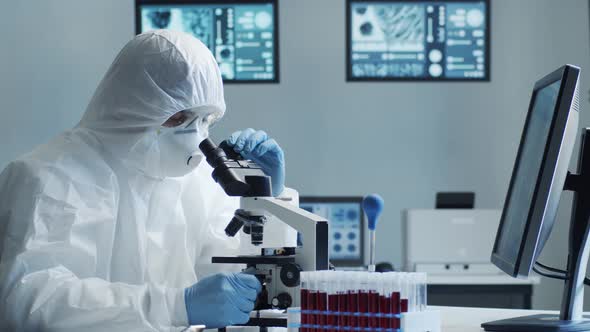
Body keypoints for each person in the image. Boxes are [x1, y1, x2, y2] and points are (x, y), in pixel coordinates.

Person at [0, 30, 293, 331]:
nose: (197, 135)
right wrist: (173, 306)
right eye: (179, 117)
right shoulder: (50, 178)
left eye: (206, 119)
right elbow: (32, 301)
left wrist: (267, 202)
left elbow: (240, 275)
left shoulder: (197, 178)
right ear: (131, 106)